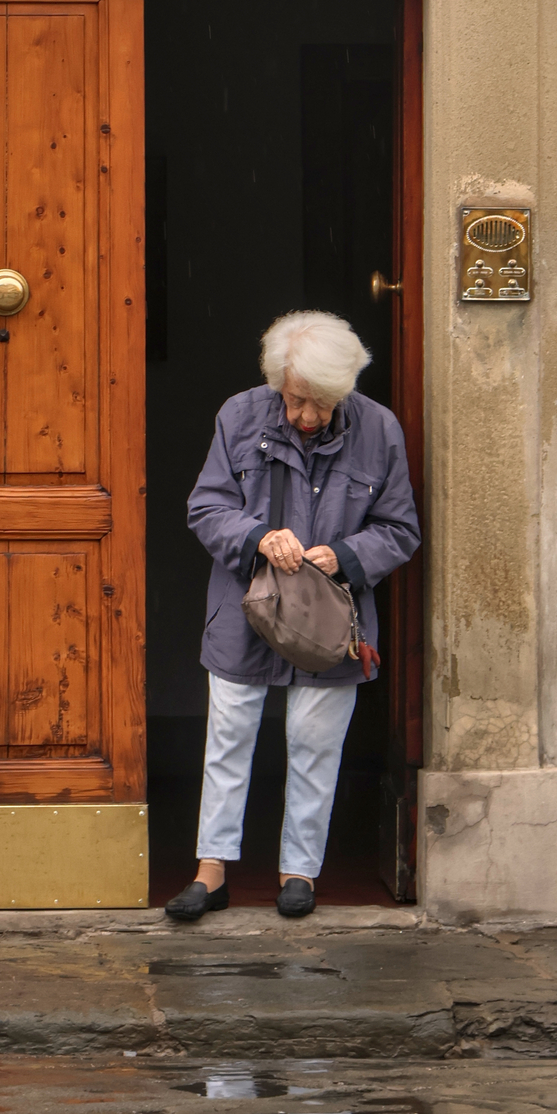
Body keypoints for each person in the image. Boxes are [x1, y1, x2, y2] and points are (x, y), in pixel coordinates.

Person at [165, 310, 421, 921]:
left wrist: (350, 555)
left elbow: (400, 528)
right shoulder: (240, 414)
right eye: (297, 400)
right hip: (244, 609)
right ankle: (212, 870)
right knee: (228, 738)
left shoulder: (379, 429)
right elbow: (207, 507)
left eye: (323, 404)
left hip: (331, 619)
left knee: (314, 742)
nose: (307, 416)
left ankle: (299, 871)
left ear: (347, 390)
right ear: (279, 379)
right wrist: (257, 536)